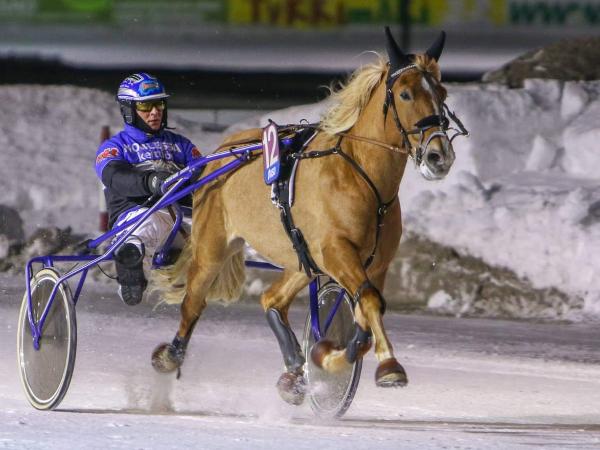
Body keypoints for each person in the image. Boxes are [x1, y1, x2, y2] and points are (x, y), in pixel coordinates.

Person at [95, 73, 201, 305]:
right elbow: (114, 176)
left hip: (185, 217)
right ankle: (131, 273)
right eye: (145, 106)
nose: (155, 112)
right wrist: (150, 182)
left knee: (224, 230)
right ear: (128, 109)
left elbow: (203, 173)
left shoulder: (181, 144)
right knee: (147, 226)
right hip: (139, 214)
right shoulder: (115, 146)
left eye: (159, 104)